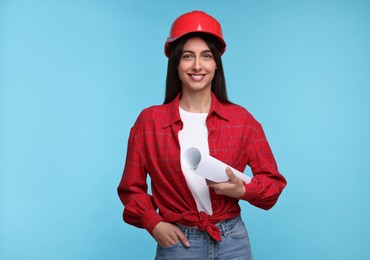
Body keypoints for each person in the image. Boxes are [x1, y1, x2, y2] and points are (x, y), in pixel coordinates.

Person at [117, 10, 287, 260]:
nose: (197, 65)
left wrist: (242, 191)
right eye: (188, 56)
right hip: (178, 242)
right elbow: (130, 189)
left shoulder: (242, 120)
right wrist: (153, 223)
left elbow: (273, 185)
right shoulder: (149, 122)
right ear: (176, 62)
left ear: (216, 63)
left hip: (233, 241)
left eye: (206, 56)